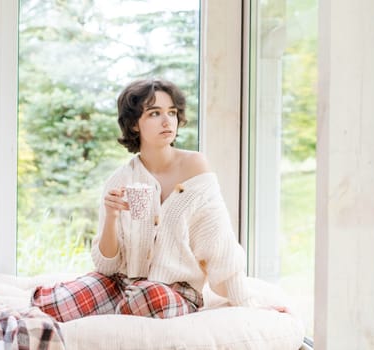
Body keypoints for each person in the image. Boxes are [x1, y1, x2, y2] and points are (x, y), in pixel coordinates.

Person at [31, 78, 287, 322]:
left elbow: (219, 242)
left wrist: (248, 302)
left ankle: (111, 310)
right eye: (154, 113)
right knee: (52, 304)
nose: (167, 121)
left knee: (148, 296)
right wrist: (111, 217)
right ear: (134, 124)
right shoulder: (121, 180)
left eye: (172, 112)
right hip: (122, 283)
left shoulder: (195, 166)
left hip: (174, 291)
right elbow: (106, 266)